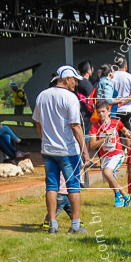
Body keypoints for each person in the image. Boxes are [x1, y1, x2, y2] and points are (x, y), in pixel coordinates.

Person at [32, 65, 89, 234]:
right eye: (74, 80)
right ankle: (76, 225)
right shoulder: (70, 97)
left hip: (48, 150)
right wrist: (84, 151)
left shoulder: (42, 95)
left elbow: (38, 122)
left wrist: (44, 140)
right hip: (67, 150)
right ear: (66, 79)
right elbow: (75, 126)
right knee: (73, 187)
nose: (76, 84)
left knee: (51, 186)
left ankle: (53, 224)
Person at [89, 100, 131, 207]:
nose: (101, 114)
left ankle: (118, 197)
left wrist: (130, 136)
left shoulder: (116, 122)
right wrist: (105, 138)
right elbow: (93, 145)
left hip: (117, 153)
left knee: (108, 173)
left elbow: (126, 132)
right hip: (104, 156)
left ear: (108, 111)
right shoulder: (94, 127)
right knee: (110, 179)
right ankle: (125, 196)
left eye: (103, 111)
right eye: (99, 112)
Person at [112, 58, 131, 132]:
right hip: (128, 110)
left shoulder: (111, 77)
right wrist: (122, 103)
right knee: (129, 134)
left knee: (114, 134)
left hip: (113, 110)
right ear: (126, 66)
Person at [75, 61, 96, 131]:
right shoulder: (86, 83)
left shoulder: (77, 82)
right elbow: (91, 98)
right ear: (88, 70)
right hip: (86, 114)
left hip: (78, 112)